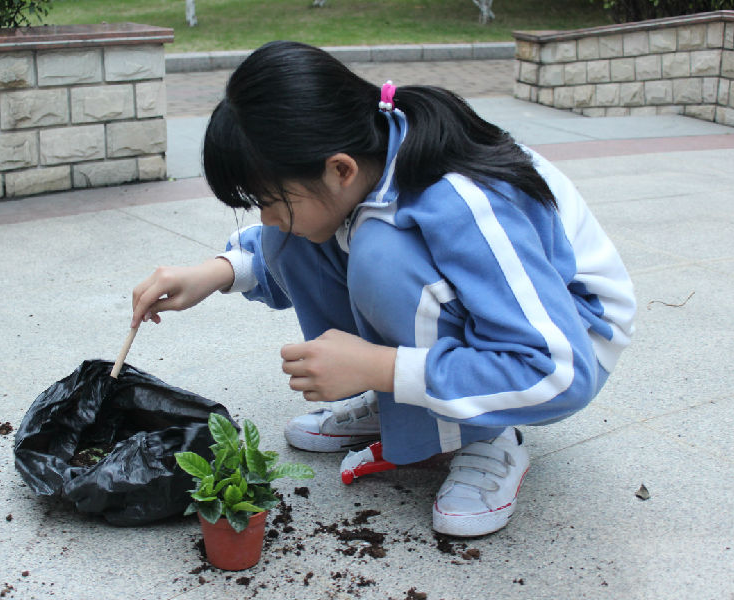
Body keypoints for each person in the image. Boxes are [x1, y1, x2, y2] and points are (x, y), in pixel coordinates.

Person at [130, 41, 636, 537]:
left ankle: (487, 435)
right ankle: (407, 406)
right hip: (513, 323)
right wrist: (216, 272)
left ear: (340, 169)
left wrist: (379, 367)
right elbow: (288, 236)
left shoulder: (461, 199)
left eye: (269, 199)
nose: (265, 216)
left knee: (380, 254)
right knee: (292, 237)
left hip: (569, 335)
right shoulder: (372, 154)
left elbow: (557, 371)